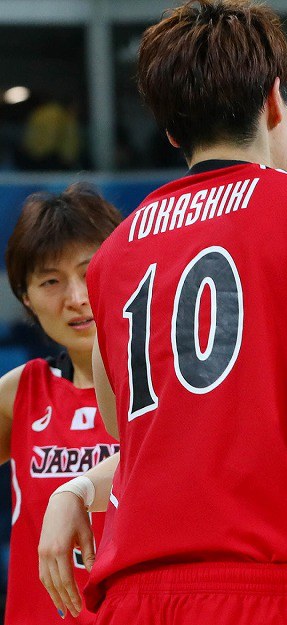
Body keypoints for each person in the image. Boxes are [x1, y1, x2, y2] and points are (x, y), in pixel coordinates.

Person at [38, 1, 287, 624]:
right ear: (274, 100)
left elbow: (134, 440)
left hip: (136, 598)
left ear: (171, 132)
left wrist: (77, 488)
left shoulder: (112, 257)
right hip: (281, 585)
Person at [0, 184, 121, 623]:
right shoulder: (18, 394)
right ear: (26, 296)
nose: (76, 297)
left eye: (90, 271)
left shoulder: (173, 389)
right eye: (50, 281)